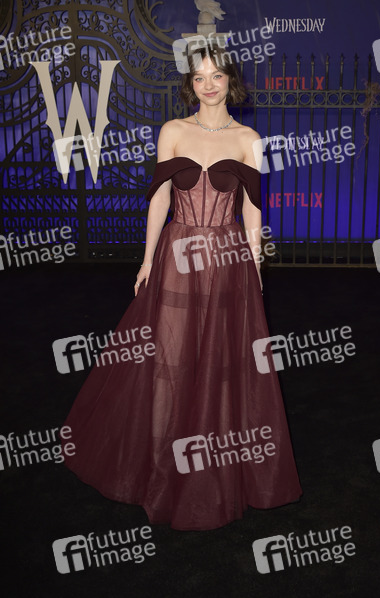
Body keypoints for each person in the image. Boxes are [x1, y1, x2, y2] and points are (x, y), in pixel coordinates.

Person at [61, 44, 302, 530]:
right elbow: (159, 200)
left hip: (228, 261)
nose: (208, 85)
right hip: (176, 258)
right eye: (199, 77)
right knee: (168, 359)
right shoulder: (172, 131)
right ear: (190, 85)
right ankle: (159, 463)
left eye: (216, 76)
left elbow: (252, 209)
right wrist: (147, 259)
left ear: (231, 81)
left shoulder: (249, 139)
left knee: (220, 361)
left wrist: (255, 265)